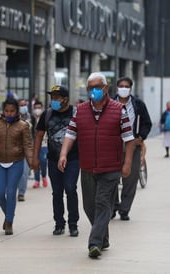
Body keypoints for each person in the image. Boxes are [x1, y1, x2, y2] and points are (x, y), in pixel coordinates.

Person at [58, 72, 135, 259]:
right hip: (88, 166)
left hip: (111, 167)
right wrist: (63, 153)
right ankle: (103, 238)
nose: (94, 91)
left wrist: (127, 164)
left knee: (102, 203)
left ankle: (94, 243)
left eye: (97, 87)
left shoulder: (119, 110)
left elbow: (129, 139)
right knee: (89, 206)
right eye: (90, 88)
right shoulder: (80, 110)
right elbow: (70, 134)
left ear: (105, 88)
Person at [32, 86, 80, 236]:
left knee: (70, 189)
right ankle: (59, 223)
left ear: (65, 99)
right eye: (52, 97)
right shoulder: (47, 114)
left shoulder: (76, 113)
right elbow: (39, 136)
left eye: (57, 97)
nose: (54, 100)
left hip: (73, 159)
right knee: (57, 192)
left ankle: (73, 224)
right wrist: (35, 158)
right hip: (53, 159)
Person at [0, 97, 33, 235]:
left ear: (17, 111)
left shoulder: (23, 125)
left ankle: (8, 222)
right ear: (3, 111)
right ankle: (9, 214)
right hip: (0, 162)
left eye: (12, 111)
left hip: (16, 162)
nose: (9, 113)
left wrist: (31, 162)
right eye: (7, 111)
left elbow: (27, 146)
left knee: (11, 193)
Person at [113, 76, 152, 220]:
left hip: (133, 145)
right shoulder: (110, 103)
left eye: (126, 86)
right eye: (121, 86)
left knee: (130, 178)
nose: (123, 88)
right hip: (114, 146)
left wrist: (140, 137)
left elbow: (146, 123)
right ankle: (113, 207)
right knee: (111, 178)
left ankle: (124, 209)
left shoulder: (138, 104)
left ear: (130, 88)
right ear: (117, 88)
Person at [17, 98, 36, 202]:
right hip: (13, 149)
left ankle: (21, 193)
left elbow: (35, 133)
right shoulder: (11, 117)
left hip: (27, 148)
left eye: (24, 105)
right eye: (21, 105)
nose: (23, 107)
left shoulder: (31, 118)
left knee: (24, 172)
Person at [31, 100, 48, 189]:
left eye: (39, 108)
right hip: (34, 144)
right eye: (36, 108)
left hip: (44, 144)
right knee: (35, 161)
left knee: (43, 160)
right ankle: (37, 180)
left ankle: (44, 176)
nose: (37, 110)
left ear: (42, 108)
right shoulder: (31, 119)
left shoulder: (46, 117)